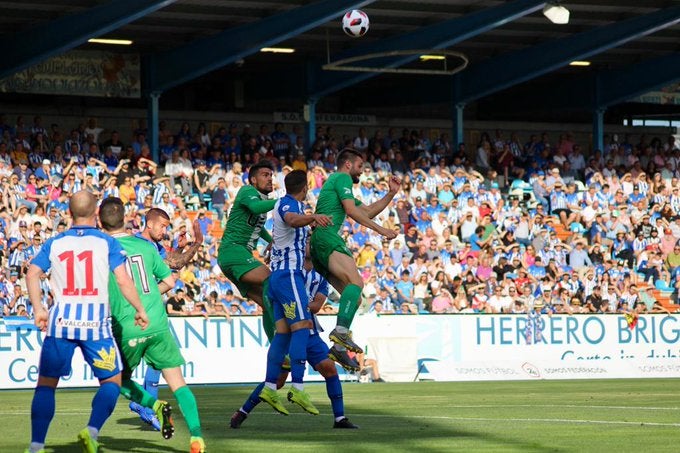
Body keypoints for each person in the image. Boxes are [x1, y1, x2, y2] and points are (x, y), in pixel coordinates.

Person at [23, 191, 149, 453]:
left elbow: (33, 273)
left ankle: (35, 446)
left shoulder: (55, 243)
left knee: (46, 385)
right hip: (96, 325)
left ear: (69, 214)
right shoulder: (107, 243)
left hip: (61, 323)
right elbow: (123, 280)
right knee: (112, 383)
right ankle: (91, 431)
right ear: (96, 215)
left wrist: (39, 310)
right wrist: (139, 308)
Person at [99, 197, 206, 453]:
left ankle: (151, 405)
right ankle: (197, 438)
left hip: (128, 324)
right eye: (163, 226)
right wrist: (147, 300)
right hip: (157, 321)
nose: (165, 231)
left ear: (100, 221)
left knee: (116, 381)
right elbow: (170, 280)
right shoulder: (146, 248)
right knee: (179, 383)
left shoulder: (103, 249)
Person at [231, 268, 359, 429]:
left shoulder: (321, 277)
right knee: (277, 381)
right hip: (289, 333)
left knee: (330, 369)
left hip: (311, 334)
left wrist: (296, 305)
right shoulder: (289, 270)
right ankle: (242, 411)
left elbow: (317, 305)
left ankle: (340, 418)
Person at [310, 149, 400, 370]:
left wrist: (390, 194)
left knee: (356, 299)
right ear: (348, 165)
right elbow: (352, 211)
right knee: (356, 284)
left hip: (319, 243)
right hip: (327, 237)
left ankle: (339, 349)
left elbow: (366, 211)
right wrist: (381, 230)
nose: (362, 171)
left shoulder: (339, 185)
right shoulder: (341, 178)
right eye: (360, 166)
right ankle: (340, 334)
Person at [257, 170, 332, 416]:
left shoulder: (286, 204)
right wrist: (313, 217)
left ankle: (269, 386)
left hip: (278, 279)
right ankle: (298, 386)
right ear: (306, 187)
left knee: (282, 334)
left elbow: (286, 230)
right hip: (289, 276)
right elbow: (291, 219)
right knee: (302, 326)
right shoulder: (290, 204)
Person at [128, 208, 204, 429]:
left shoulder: (154, 247)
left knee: (157, 362)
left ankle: (143, 405)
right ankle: (141, 404)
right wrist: (197, 243)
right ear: (149, 224)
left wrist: (183, 247)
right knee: (118, 372)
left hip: (147, 309)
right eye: (162, 226)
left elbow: (174, 262)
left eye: (167, 227)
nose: (165, 230)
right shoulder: (138, 244)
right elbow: (175, 266)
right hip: (132, 311)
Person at [217, 160, 277, 339]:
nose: (269, 179)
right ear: (253, 179)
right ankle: (281, 339)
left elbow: (257, 227)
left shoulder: (262, 199)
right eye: (265, 175)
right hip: (234, 250)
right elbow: (255, 208)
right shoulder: (247, 191)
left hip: (235, 255)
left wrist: (271, 241)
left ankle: (277, 349)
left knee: (268, 304)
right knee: (270, 280)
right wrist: (283, 200)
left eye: (271, 176)